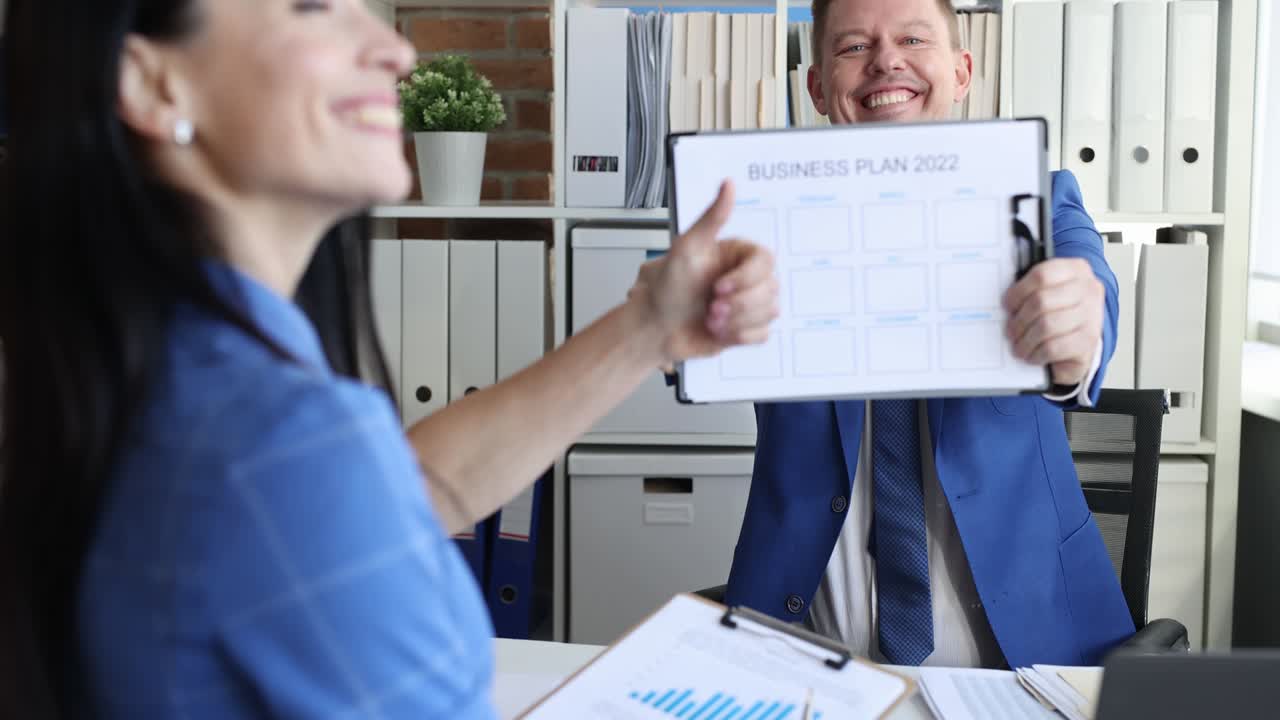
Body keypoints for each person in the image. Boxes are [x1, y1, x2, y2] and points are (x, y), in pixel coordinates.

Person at [0, 0, 778, 717]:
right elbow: (337, 489)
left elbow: (396, 498)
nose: (396, 51)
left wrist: (645, 330)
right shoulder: (283, 444)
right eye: (312, 7)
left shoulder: (160, 377)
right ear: (154, 84)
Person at [724, 0, 1133, 669]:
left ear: (962, 71)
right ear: (818, 87)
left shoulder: (1037, 196)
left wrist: (1076, 330)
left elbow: (1091, 296)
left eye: (914, 39)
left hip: (1024, 653)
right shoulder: (760, 218)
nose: (887, 61)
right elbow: (686, 337)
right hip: (805, 656)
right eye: (854, 47)